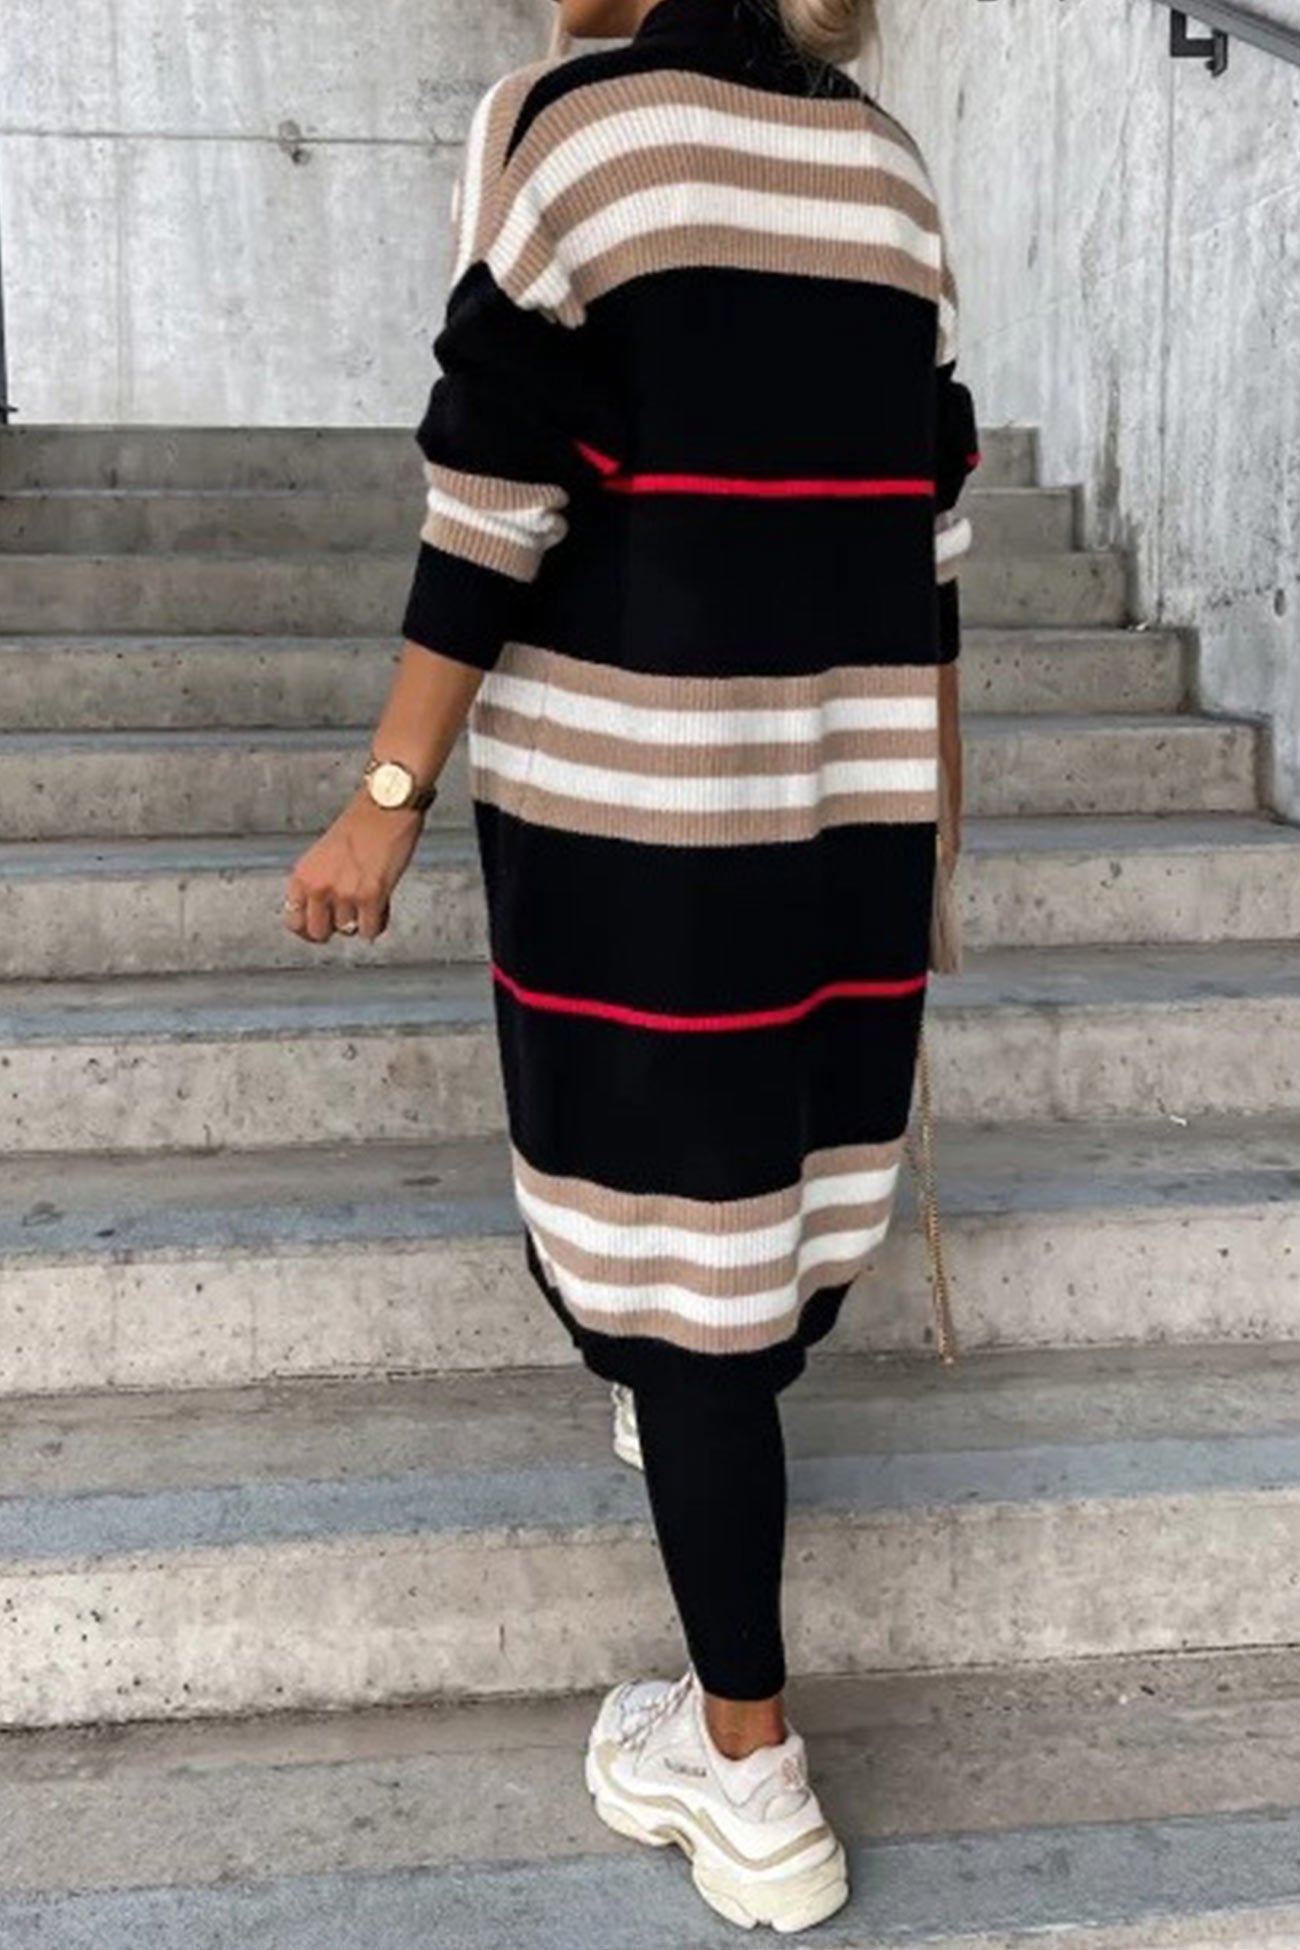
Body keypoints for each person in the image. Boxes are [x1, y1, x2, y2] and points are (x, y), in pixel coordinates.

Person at [283, 0, 977, 1928]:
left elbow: (491, 499)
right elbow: (931, 528)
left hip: (643, 824)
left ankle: (747, 1771)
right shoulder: (889, 170)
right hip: (842, 812)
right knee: (749, 1234)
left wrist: (385, 798)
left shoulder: (578, 135)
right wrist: (936, 823)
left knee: (681, 1287)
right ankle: (674, 1399)